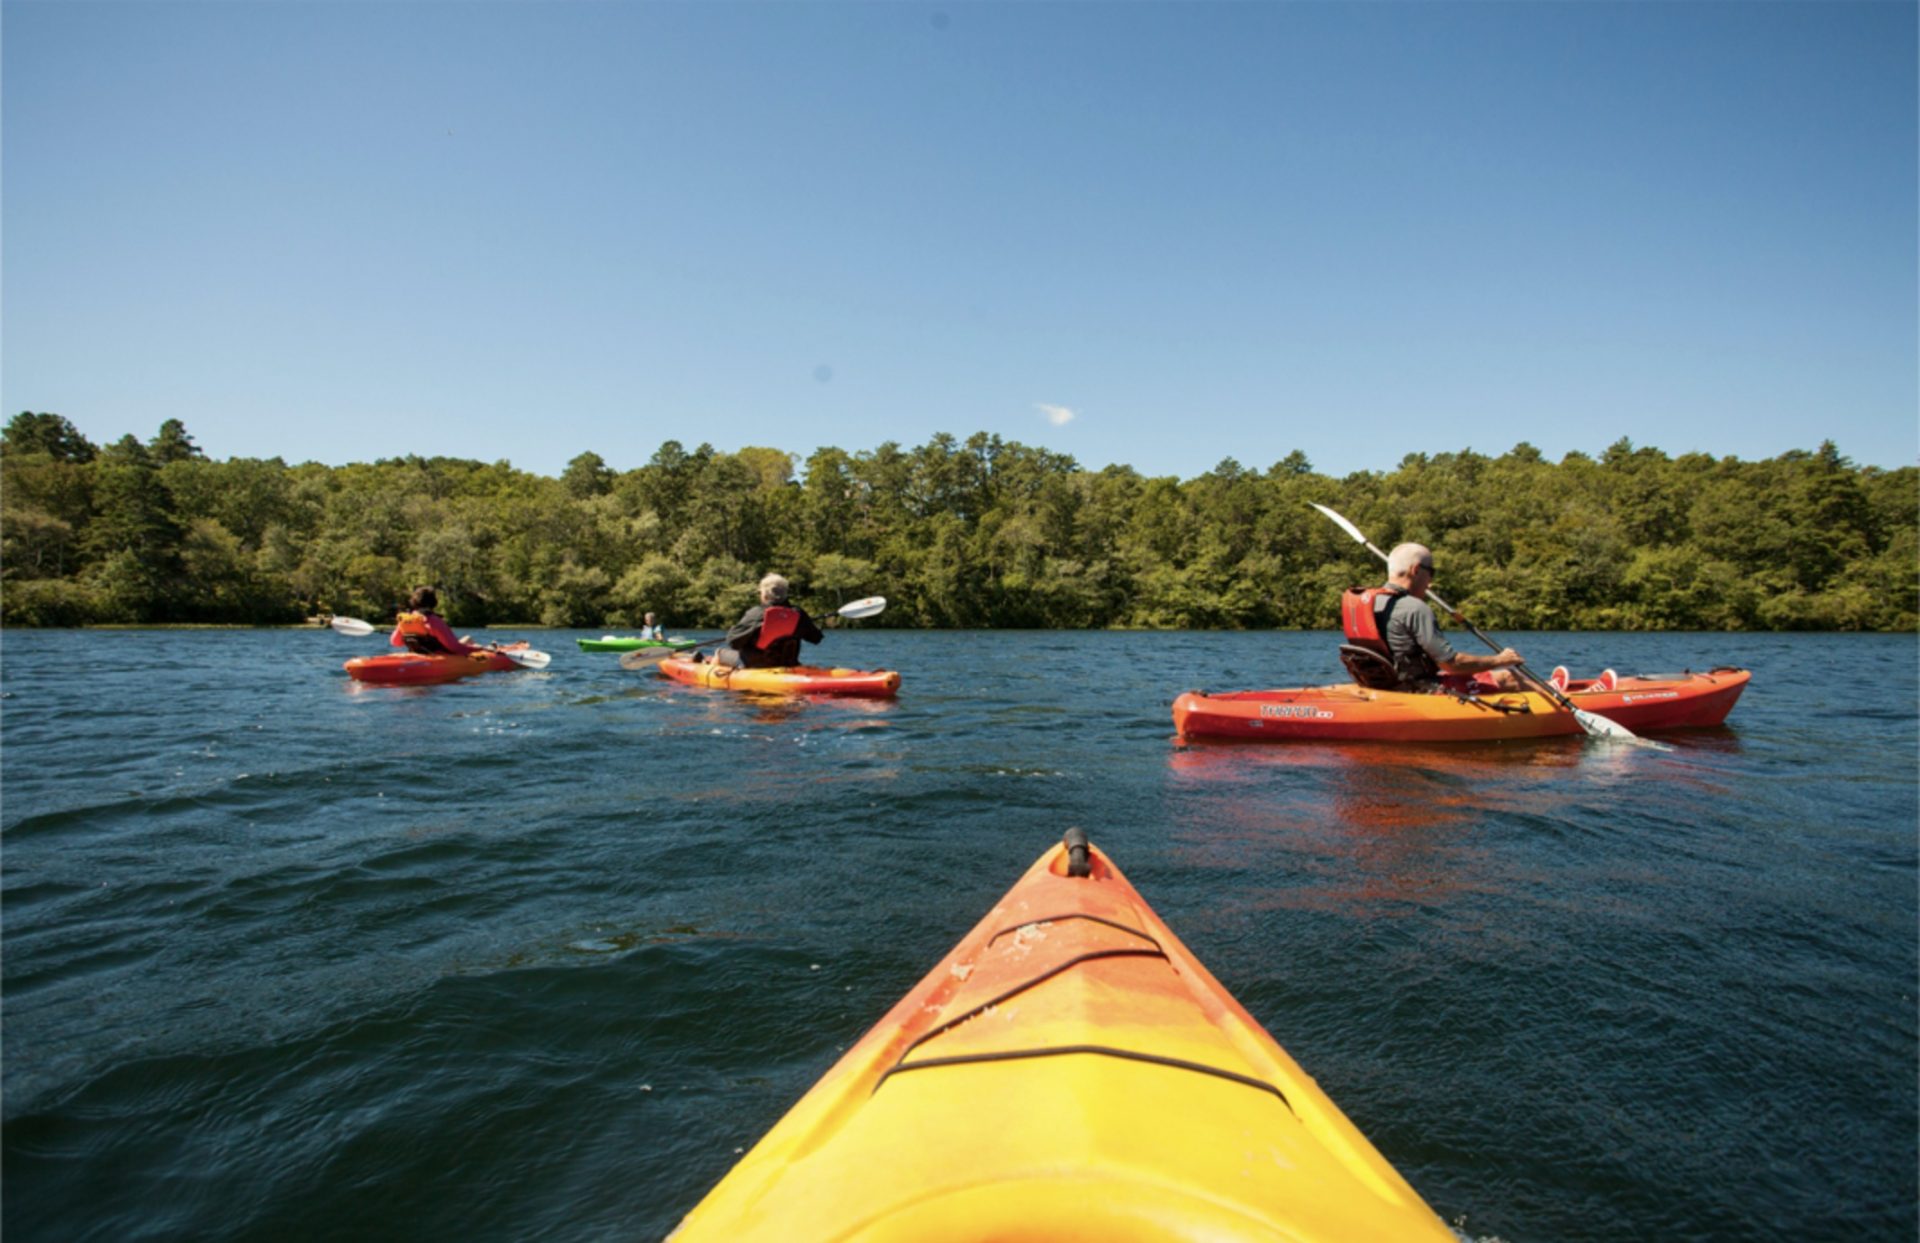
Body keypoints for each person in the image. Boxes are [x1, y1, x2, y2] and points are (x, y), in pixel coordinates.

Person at [1340, 543, 1524, 694]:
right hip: (1419, 691)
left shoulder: (1368, 604)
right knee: (1509, 677)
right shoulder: (1414, 608)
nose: (1431, 582)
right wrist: (1500, 660)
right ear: (1416, 570)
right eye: (1431, 572)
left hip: (1381, 687)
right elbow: (1451, 664)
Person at [712, 573, 825, 669]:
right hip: (787, 664)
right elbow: (816, 638)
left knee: (720, 653)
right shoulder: (799, 613)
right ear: (785, 594)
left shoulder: (757, 613)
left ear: (765, 594)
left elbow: (733, 642)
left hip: (757, 665)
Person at [390, 587, 487, 656]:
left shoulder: (406, 620)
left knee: (467, 638)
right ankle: (488, 648)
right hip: (440, 656)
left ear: (414, 602)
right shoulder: (434, 621)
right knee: (470, 641)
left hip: (419, 655)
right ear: (434, 602)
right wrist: (480, 649)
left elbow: (395, 642)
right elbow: (455, 648)